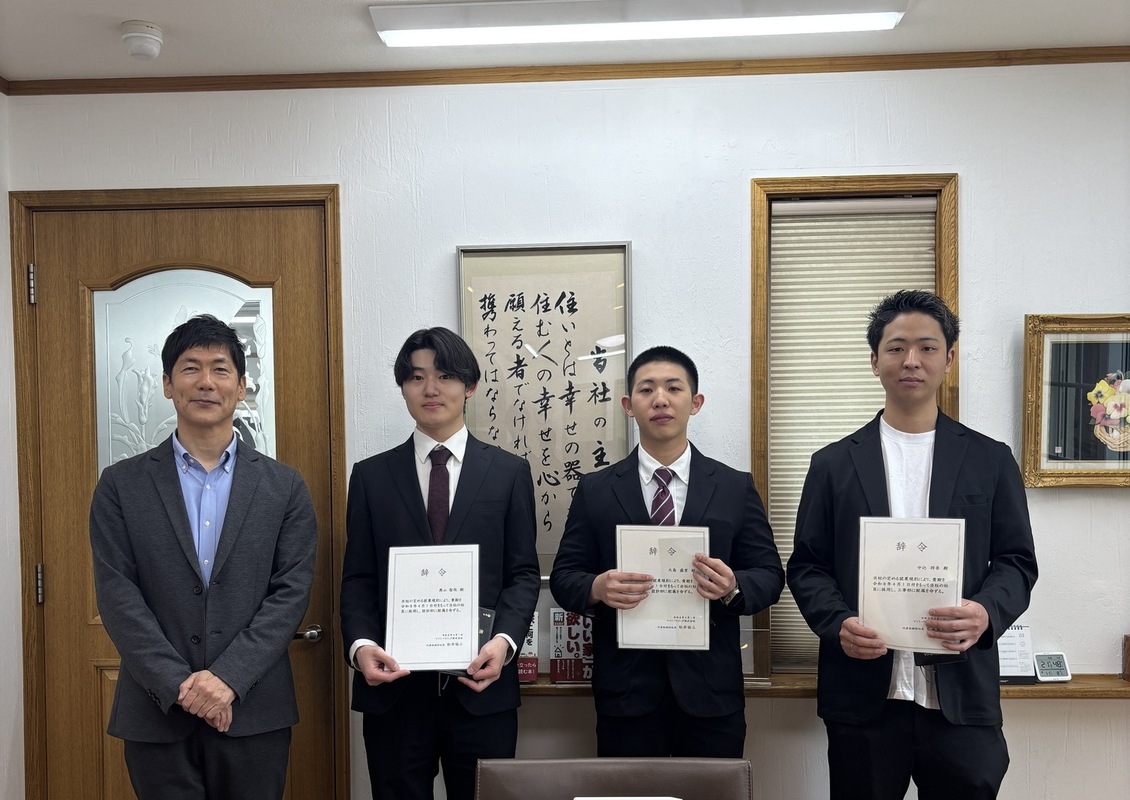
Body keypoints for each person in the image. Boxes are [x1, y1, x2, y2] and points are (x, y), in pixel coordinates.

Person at [787, 290, 1039, 800]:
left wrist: (985, 612)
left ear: (949, 358)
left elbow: (1016, 562)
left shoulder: (991, 459)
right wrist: (837, 624)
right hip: (864, 696)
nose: (911, 360)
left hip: (961, 697)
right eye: (896, 347)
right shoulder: (832, 464)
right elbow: (808, 566)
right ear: (874, 360)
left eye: (927, 347)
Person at [89, 314, 318, 800]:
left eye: (220, 369)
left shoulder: (284, 486)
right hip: (156, 711)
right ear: (167, 384)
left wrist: (228, 679)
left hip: (255, 710)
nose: (206, 382)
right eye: (190, 368)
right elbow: (117, 594)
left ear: (241, 386)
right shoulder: (121, 485)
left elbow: (290, 593)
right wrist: (180, 685)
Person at [550, 345, 784, 757]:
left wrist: (732, 586)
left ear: (695, 403)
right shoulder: (595, 490)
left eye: (673, 388)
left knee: (713, 789)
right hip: (626, 694)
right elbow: (565, 577)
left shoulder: (734, 487)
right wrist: (598, 588)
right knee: (631, 790)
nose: (660, 399)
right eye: (646, 390)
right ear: (628, 405)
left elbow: (769, 575)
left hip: (712, 693)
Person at [340, 326, 539, 800]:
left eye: (445, 375)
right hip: (394, 691)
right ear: (403, 388)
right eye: (416, 377)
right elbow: (358, 577)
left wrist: (505, 643)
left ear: (470, 386)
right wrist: (361, 646)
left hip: (481, 687)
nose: (430, 388)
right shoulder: (370, 476)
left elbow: (522, 575)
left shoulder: (508, 472)